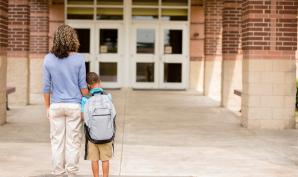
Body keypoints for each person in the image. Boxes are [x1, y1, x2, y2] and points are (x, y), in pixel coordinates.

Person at [43, 24, 89, 177]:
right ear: (72, 39)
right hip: (74, 106)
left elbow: (46, 87)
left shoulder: (48, 59)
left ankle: (58, 173)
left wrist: (47, 108)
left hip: (56, 106)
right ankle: (71, 173)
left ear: (56, 39)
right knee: (73, 142)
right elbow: (83, 86)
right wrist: (90, 98)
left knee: (57, 143)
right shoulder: (78, 59)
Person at [81, 72, 113, 177]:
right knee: (105, 160)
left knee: (94, 160)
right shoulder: (108, 97)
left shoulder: (85, 99)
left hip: (92, 136)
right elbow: (113, 115)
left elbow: (83, 117)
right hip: (107, 135)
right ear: (99, 81)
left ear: (88, 85)